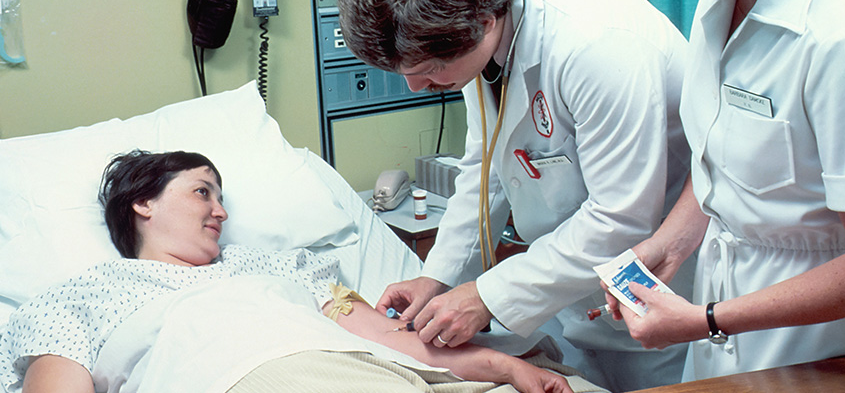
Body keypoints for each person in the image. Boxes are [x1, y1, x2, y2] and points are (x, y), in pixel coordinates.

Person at [338, 0, 693, 392]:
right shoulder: (475, 32)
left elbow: (620, 217)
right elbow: (485, 169)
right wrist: (439, 277)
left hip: (656, 295)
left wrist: (487, 295)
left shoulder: (598, 45)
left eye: (427, 71)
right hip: (567, 289)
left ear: (483, 24)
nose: (416, 87)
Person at [575, 0, 845, 382]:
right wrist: (671, 243)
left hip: (824, 336)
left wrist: (706, 320)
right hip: (728, 309)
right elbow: (722, 158)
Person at [0, 150, 575, 393]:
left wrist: (504, 366)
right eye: (203, 192)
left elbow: (389, 340)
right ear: (142, 203)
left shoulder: (285, 267)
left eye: (221, 196)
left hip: (365, 373)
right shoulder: (77, 296)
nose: (221, 210)